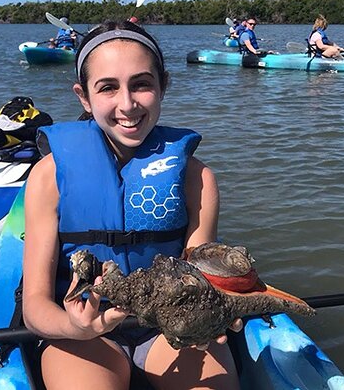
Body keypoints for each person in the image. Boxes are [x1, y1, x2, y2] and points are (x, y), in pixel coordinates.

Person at [22, 20, 241, 390]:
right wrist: (73, 325)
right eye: (108, 87)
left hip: (167, 325)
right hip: (83, 333)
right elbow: (35, 307)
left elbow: (199, 273)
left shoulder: (196, 178)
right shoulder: (48, 176)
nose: (127, 104)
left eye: (141, 84)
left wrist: (220, 302)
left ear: (163, 86)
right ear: (84, 97)